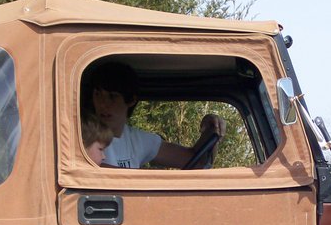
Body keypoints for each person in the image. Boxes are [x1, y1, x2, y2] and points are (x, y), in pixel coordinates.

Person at [83, 62, 225, 169]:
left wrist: (212, 132)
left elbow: (197, 162)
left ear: (131, 100)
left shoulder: (137, 139)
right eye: (98, 94)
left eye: (112, 97)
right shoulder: (82, 134)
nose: (102, 104)